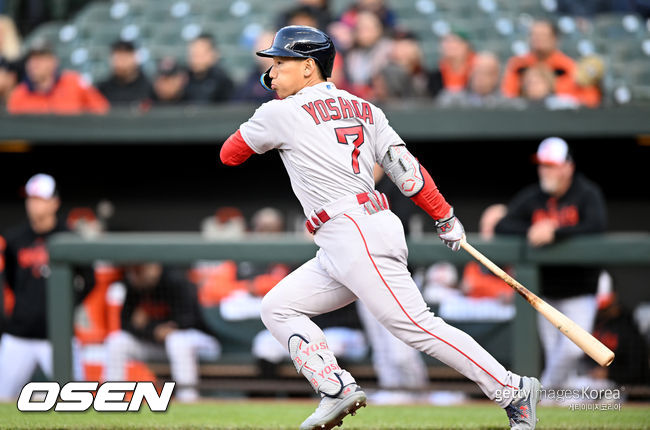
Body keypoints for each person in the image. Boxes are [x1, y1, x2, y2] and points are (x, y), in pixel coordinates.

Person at [219, 25, 541, 430]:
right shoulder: (367, 109)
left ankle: (512, 389)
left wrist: (270, 99)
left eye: (280, 63)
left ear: (307, 67)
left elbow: (229, 154)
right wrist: (445, 216)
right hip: (351, 235)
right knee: (277, 307)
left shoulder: (280, 112)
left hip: (354, 232)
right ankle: (334, 387)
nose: (272, 72)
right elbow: (408, 174)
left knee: (417, 327)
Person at [494, 137, 607, 391]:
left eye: (551, 165)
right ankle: (558, 404)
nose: (545, 170)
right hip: (545, 291)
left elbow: (596, 226)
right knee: (554, 351)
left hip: (580, 289)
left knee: (571, 349)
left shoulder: (586, 193)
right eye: (542, 165)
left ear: (568, 167)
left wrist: (556, 231)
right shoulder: (533, 196)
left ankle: (543, 393)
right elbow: (503, 225)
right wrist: (533, 229)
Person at [0, 174, 93, 399]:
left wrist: (69, 305)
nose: (33, 204)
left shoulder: (69, 237)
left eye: (40, 198)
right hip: (19, 336)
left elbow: (89, 280)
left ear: (54, 202)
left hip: (57, 336)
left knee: (78, 401)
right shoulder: (15, 238)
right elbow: (10, 279)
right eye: (31, 198)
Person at [104, 262, 221, 402]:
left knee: (177, 340)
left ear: (152, 268)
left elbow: (191, 320)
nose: (132, 276)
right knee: (117, 341)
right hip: (160, 347)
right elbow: (126, 325)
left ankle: (188, 399)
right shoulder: (134, 288)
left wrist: (158, 327)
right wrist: (154, 329)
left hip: (200, 343)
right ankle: (112, 398)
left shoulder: (175, 280)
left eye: (138, 271)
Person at [7, 39, 109, 114]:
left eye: (40, 59)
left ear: (53, 61)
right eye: (31, 59)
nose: (34, 64)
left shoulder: (73, 82)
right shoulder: (19, 94)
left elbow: (102, 110)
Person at [501, 20, 577, 99]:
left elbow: (569, 96)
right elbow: (509, 94)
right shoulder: (517, 65)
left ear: (555, 39)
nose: (538, 39)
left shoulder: (567, 66)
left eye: (543, 35)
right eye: (534, 35)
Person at [436, 52, 525, 109]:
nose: (480, 78)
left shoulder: (509, 105)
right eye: (477, 72)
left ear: (497, 77)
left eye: (487, 73)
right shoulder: (452, 100)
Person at [97, 40, 151, 106]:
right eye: (118, 55)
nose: (122, 60)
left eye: (126, 55)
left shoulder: (149, 89)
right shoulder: (102, 89)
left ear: (135, 58)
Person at [184, 33, 233, 104]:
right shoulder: (184, 79)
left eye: (200, 55)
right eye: (193, 54)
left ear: (213, 54)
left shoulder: (222, 81)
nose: (196, 59)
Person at [428, 30, 475, 98]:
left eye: (454, 41)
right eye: (446, 41)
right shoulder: (436, 76)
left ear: (466, 45)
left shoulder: (477, 69)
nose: (449, 46)